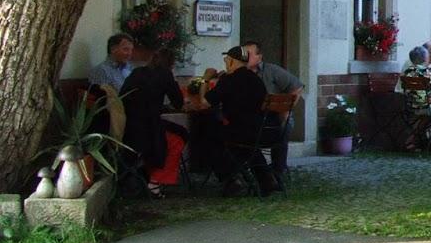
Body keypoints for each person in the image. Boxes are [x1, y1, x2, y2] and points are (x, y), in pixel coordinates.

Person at [200, 45, 273, 194]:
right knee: (248, 148)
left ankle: (229, 179)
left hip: (238, 132)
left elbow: (204, 102)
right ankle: (265, 181)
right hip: (260, 131)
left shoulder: (229, 79)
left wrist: (205, 80)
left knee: (208, 137)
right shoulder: (256, 79)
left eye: (227, 60)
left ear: (233, 62)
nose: (225, 63)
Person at [119, 47, 184, 196]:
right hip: (150, 129)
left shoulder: (136, 73)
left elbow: (123, 96)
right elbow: (178, 102)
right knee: (179, 136)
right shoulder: (165, 75)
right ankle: (156, 180)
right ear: (171, 64)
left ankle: (149, 176)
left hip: (128, 127)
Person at [242, 39, 302, 178]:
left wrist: (286, 109)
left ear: (259, 57)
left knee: (283, 128)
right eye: (244, 54)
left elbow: (297, 87)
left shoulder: (271, 71)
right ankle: (257, 172)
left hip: (273, 118)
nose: (245, 58)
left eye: (249, 54)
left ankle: (277, 171)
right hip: (252, 119)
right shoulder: (239, 73)